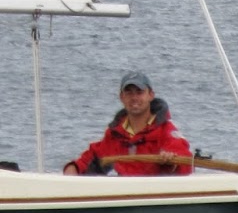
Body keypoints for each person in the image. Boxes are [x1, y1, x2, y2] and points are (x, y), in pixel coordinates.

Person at [63, 72, 193, 177]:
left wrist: (173, 161)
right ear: (121, 97)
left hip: (153, 198)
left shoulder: (166, 131)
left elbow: (185, 161)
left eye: (139, 92)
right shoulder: (115, 134)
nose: (134, 97)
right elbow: (92, 158)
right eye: (129, 92)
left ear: (151, 95)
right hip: (123, 197)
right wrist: (73, 168)